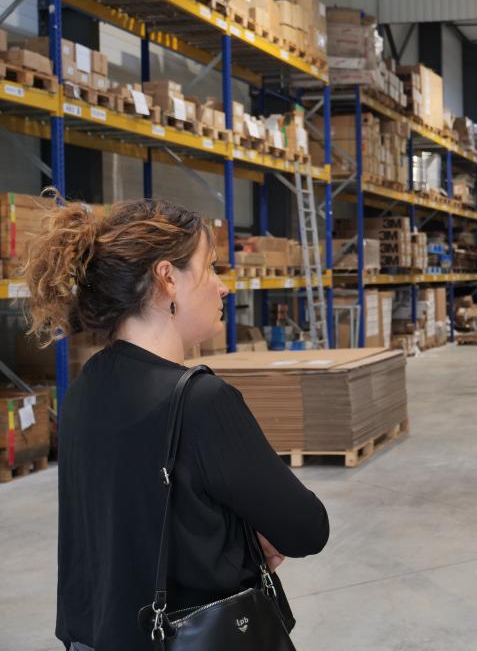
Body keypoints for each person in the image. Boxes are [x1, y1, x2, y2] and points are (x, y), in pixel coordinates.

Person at [21, 196, 330, 651]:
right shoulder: (201, 402)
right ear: (167, 278)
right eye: (210, 267)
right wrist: (250, 534)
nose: (223, 287)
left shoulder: (84, 390)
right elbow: (307, 528)